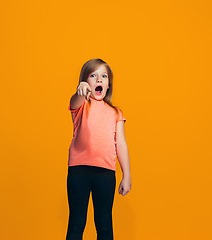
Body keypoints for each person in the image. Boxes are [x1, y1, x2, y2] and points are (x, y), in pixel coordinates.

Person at [66, 58, 131, 240]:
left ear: (109, 84)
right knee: (77, 223)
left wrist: (127, 175)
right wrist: (80, 90)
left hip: (106, 173)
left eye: (104, 76)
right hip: (79, 171)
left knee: (104, 224)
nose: (99, 80)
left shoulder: (115, 113)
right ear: (85, 82)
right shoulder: (80, 105)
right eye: (93, 76)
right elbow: (75, 99)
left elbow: (122, 144)